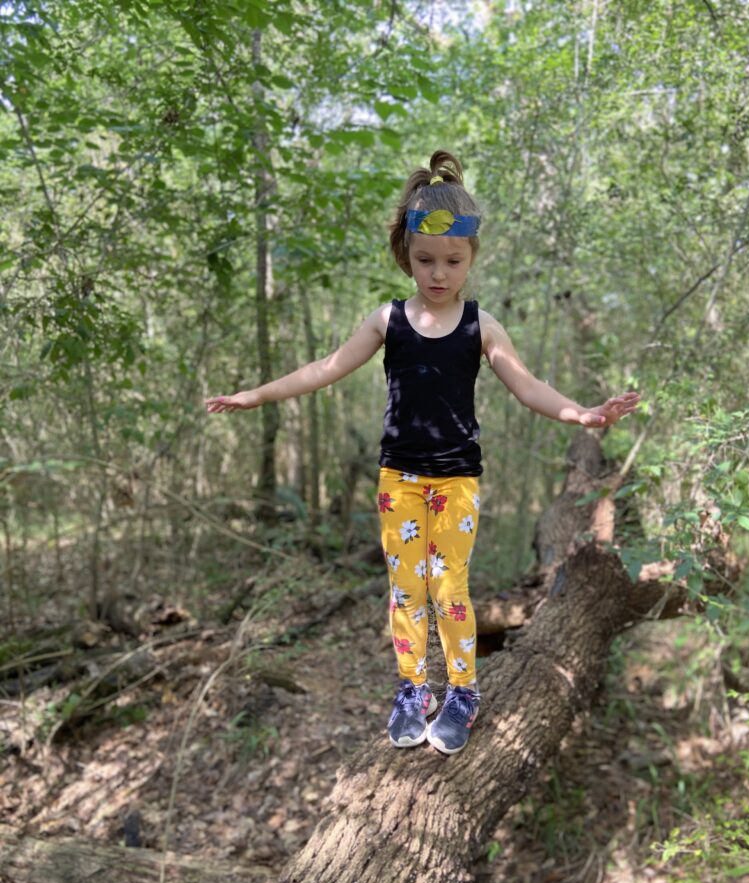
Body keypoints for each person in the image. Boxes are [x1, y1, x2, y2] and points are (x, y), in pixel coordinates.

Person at [206, 150, 640, 757]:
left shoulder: (481, 326)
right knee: (406, 589)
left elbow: (527, 386)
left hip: (456, 479)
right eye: (425, 260)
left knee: (448, 586)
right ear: (406, 254)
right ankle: (414, 690)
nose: (438, 273)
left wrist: (584, 413)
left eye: (453, 261)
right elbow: (325, 367)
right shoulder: (388, 320)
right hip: (399, 479)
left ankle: (462, 691)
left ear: (472, 258)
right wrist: (255, 395)